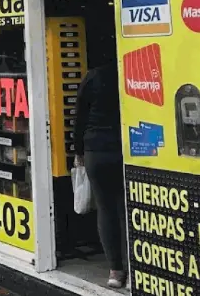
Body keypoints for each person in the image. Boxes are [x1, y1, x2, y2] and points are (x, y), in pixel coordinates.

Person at [74, 59, 127, 289]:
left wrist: (78, 150)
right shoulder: (130, 73)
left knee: (106, 209)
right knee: (126, 210)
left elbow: (79, 117)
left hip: (96, 150)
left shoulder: (93, 76)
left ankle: (115, 271)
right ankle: (135, 270)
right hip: (126, 148)